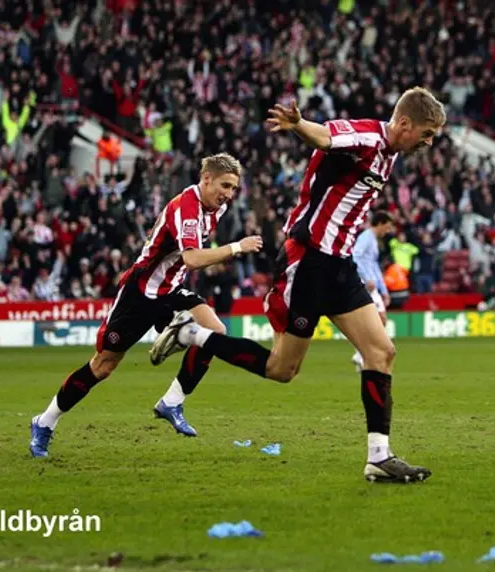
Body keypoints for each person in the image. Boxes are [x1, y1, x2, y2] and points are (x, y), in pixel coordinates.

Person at [151, 87, 446, 483]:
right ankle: (193, 333)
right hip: (307, 261)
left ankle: (379, 456)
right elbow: (327, 136)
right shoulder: (368, 137)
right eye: (426, 134)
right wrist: (298, 125)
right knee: (281, 369)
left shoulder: (389, 154)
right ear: (405, 123)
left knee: (381, 352)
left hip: (338, 266)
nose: (428, 143)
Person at [29, 153, 263, 458]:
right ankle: (44, 422)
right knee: (103, 366)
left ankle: (172, 402)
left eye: (233, 188)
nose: (229, 194)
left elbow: (185, 256)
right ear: (206, 179)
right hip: (140, 293)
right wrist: (235, 248)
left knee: (214, 330)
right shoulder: (186, 207)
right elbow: (192, 258)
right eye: (225, 185)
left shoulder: (215, 208)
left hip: (170, 288)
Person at [350, 210, 393, 371]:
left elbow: (374, 265)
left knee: (380, 320)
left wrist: (384, 289)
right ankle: (362, 354)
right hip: (365, 284)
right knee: (378, 319)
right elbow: (355, 256)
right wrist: (366, 277)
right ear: (380, 224)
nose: (387, 231)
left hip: (372, 284)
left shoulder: (373, 240)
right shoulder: (366, 237)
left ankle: (361, 355)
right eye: (387, 227)